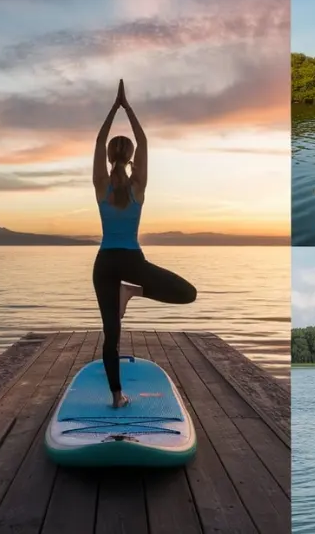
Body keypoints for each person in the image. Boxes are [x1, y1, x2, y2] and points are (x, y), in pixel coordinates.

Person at [92, 79, 197, 408]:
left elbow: (98, 140)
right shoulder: (139, 186)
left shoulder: (100, 185)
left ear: (109, 158)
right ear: (132, 157)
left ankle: (116, 396)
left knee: (112, 335)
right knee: (187, 293)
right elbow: (144, 140)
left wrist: (113, 108)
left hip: (105, 264)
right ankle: (133, 291)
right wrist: (127, 106)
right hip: (132, 262)